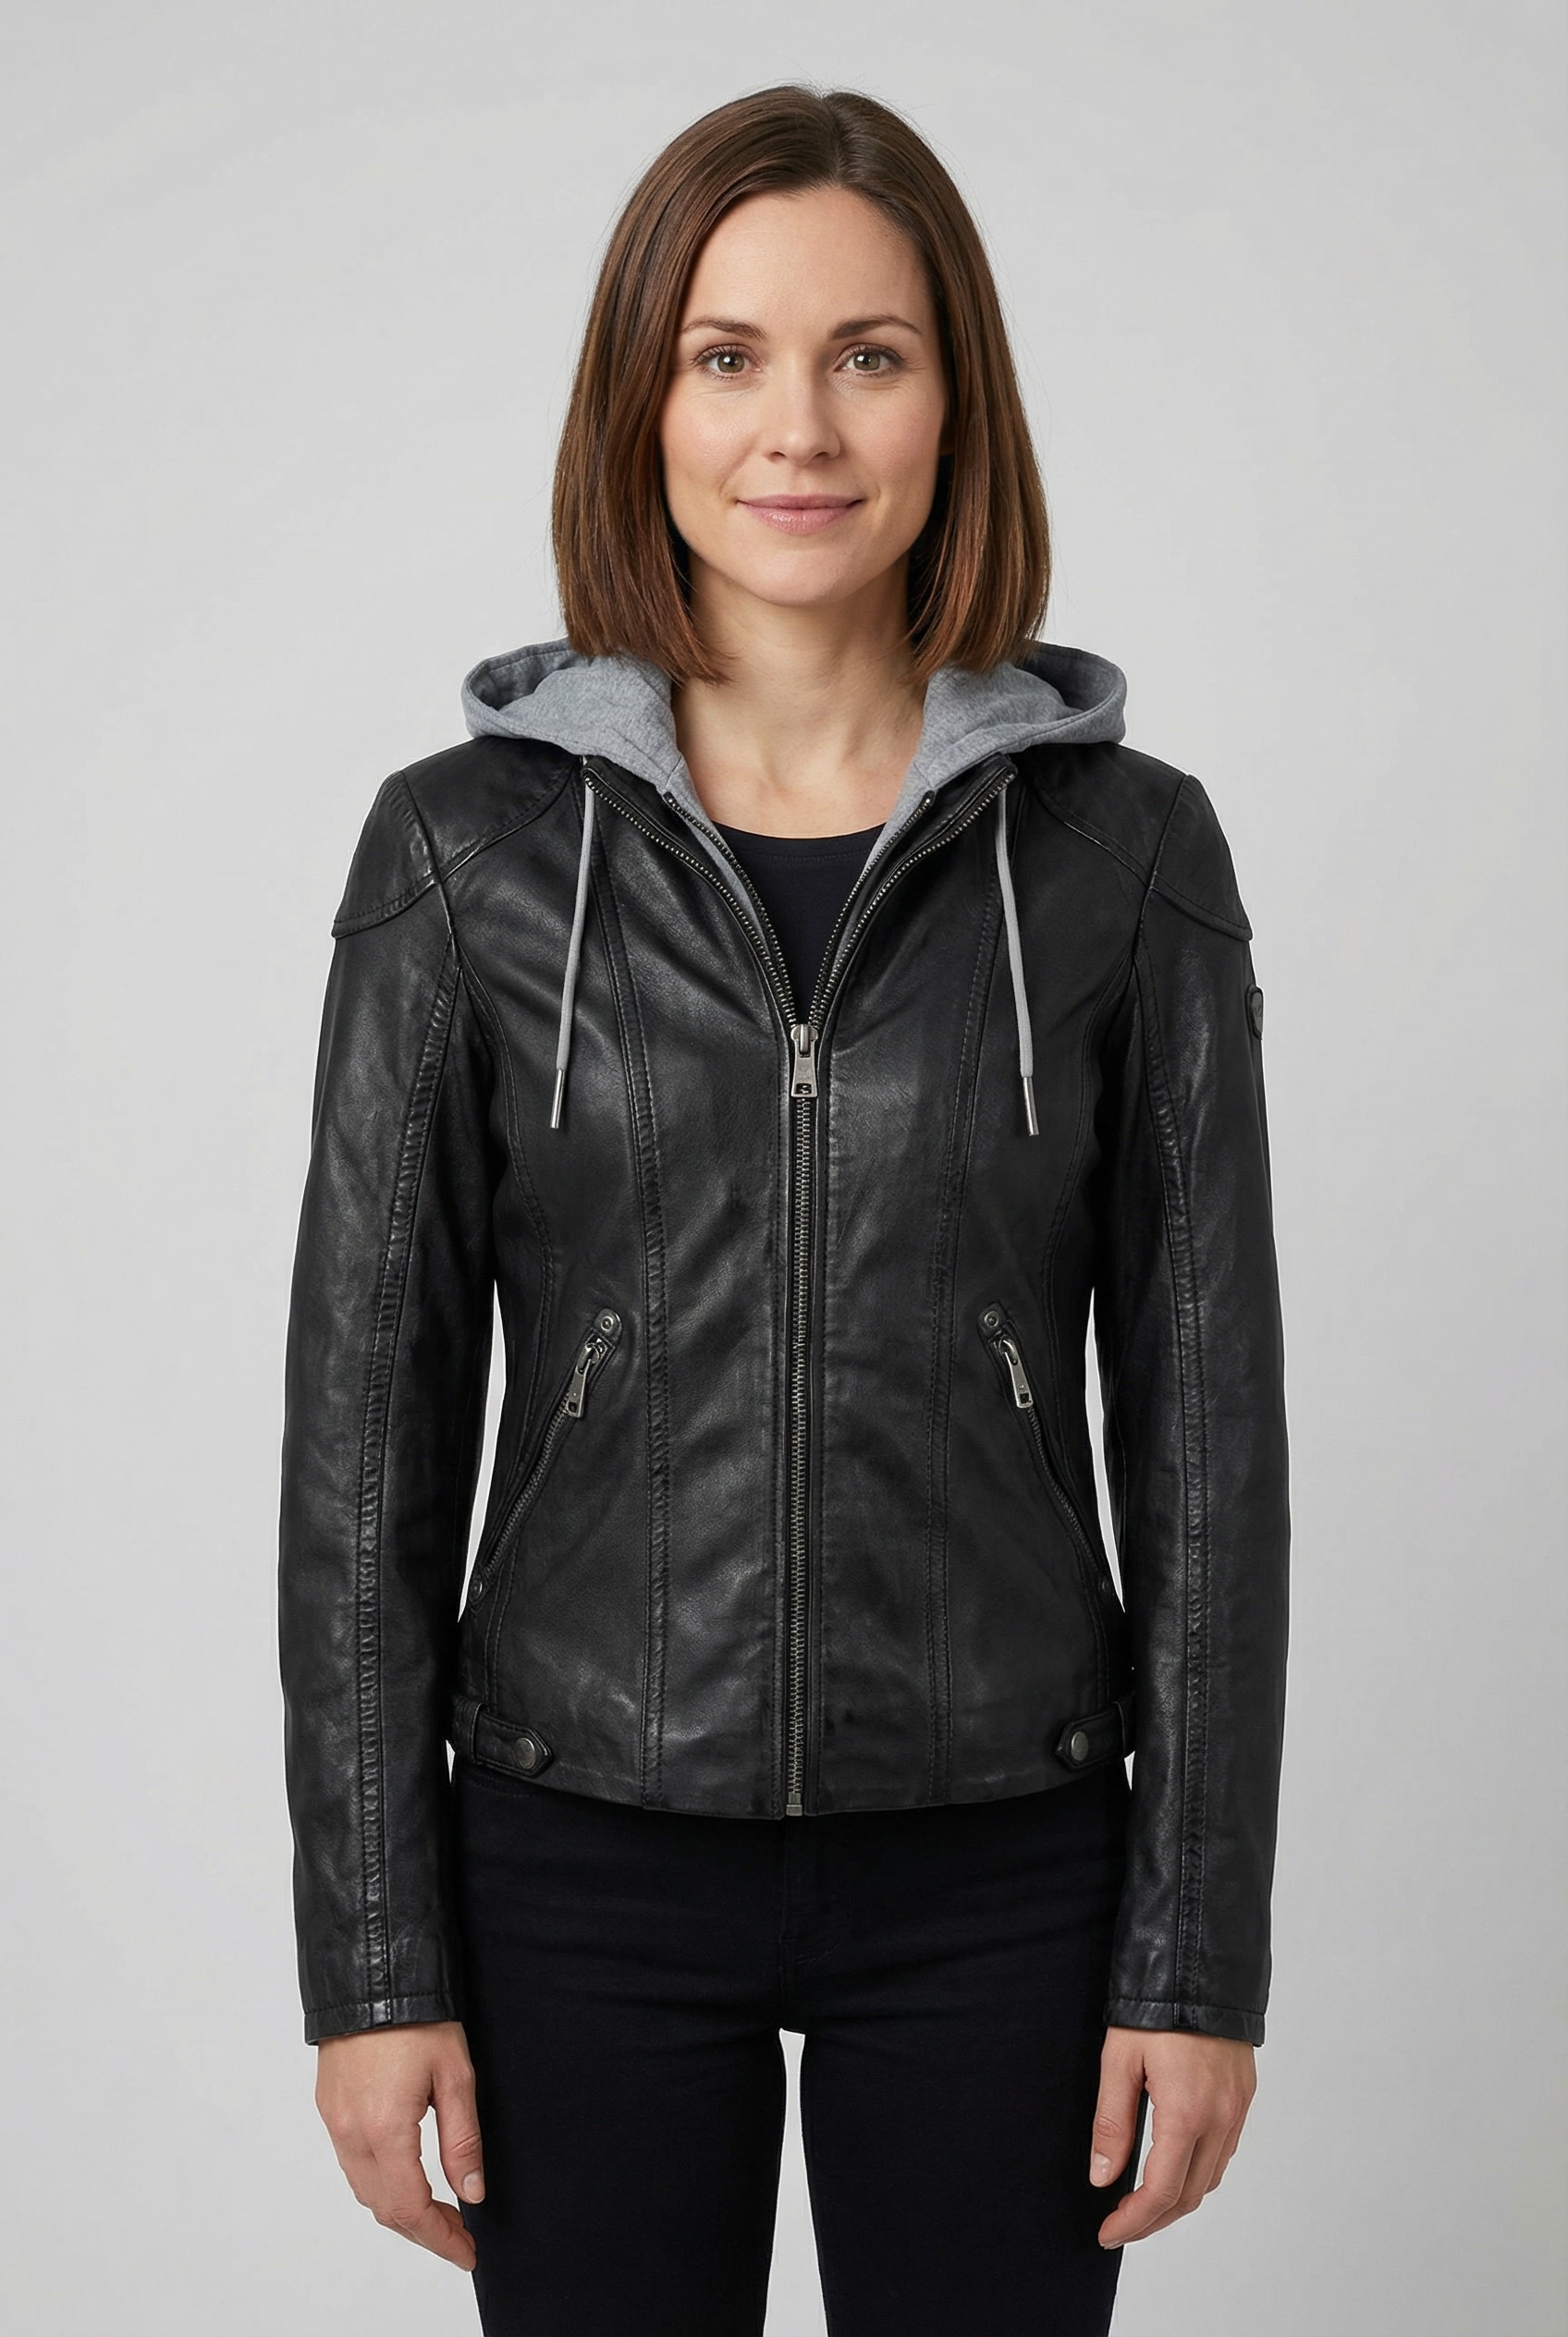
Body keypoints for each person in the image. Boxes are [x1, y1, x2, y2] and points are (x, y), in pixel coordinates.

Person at [278, 83, 1290, 2337]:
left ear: (954, 399)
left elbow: (1208, 1447)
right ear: (640, 403)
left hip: (1006, 1865)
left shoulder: (1124, 856)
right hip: (574, 1859)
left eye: (869, 353)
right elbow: (361, 1453)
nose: (797, 428)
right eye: (725, 355)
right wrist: (372, 1956)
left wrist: (1191, 1948)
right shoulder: (462, 854)